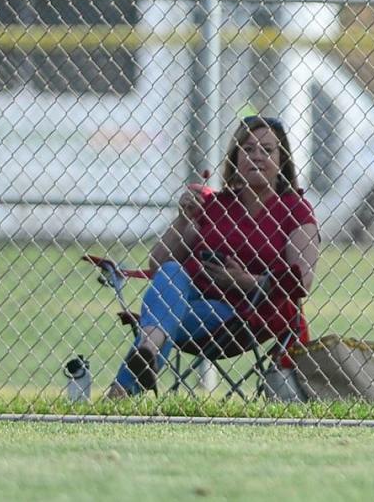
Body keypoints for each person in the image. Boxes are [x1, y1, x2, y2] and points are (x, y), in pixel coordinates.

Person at [105, 115, 320, 397]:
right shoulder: (214, 205)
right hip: (190, 296)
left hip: (240, 314)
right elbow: (157, 264)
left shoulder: (295, 209)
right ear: (235, 157)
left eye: (267, 150)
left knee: (162, 318)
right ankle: (148, 350)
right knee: (171, 270)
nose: (256, 156)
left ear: (282, 161)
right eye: (248, 149)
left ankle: (133, 373)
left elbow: (301, 281)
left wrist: (245, 280)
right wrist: (183, 219)